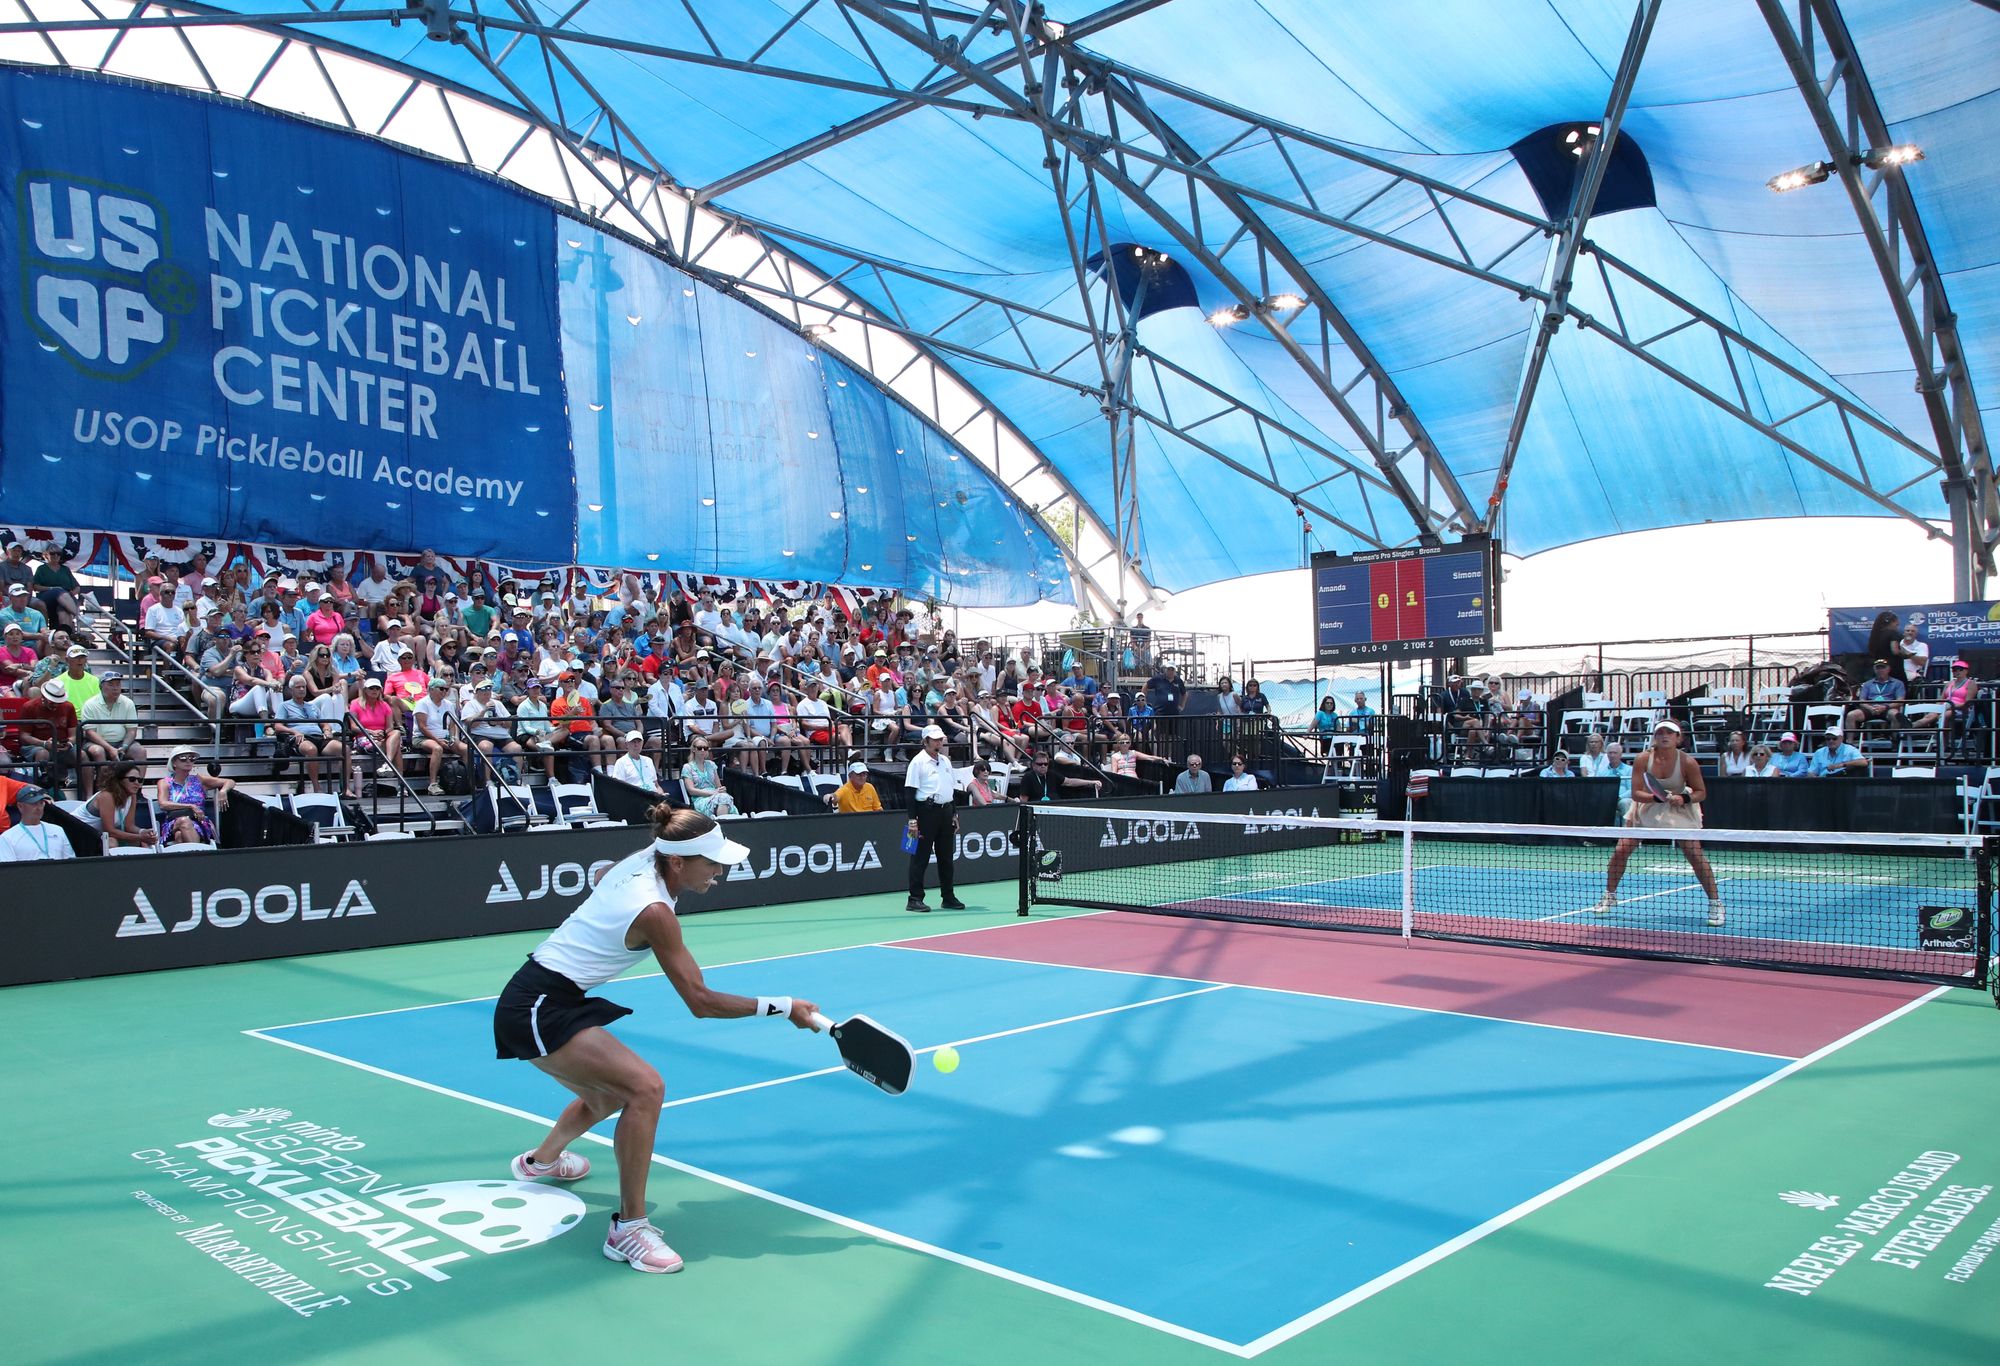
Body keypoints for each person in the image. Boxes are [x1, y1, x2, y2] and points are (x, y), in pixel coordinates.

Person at [491, 806, 820, 1275]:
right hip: (538, 1007)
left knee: (608, 1095)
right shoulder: (656, 912)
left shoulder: (653, 855)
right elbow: (700, 1001)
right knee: (645, 1088)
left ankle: (541, 1162)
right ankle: (628, 1229)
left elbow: (605, 873)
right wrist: (783, 1006)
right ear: (679, 863)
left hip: (541, 997)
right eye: (712, 863)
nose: (720, 871)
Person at [1597, 721, 1724, 926]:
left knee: (1694, 854)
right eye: (1660, 732)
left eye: (1670, 733)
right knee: (1621, 850)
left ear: (1678, 738)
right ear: (1655, 737)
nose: (1664, 736)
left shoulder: (1688, 762)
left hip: (1680, 808)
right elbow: (1637, 792)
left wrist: (1683, 798)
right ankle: (1609, 895)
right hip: (1648, 806)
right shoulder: (1643, 759)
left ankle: (1715, 903)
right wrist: (1657, 798)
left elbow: (1701, 792)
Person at [904, 723, 965, 913]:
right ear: (926, 741)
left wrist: (954, 813)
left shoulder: (945, 761)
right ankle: (914, 899)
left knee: (946, 857)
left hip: (946, 812)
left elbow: (950, 789)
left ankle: (948, 897)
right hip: (925, 813)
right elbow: (909, 793)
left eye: (941, 739)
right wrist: (912, 820)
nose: (939, 742)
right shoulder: (917, 762)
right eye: (935, 739)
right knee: (919, 857)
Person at [157, 744, 234, 844]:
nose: (188, 761)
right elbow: (163, 804)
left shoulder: (199, 779)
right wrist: (191, 806)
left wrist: (223, 791)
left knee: (179, 836)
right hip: (174, 822)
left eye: (192, 758)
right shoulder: (165, 782)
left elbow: (230, 781)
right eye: (183, 758)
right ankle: (199, 854)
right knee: (184, 821)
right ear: (174, 763)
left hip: (199, 821)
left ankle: (190, 855)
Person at [88, 762, 157, 850]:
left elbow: (129, 826)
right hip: (80, 834)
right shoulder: (107, 796)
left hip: (99, 835)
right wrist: (140, 837)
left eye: (139, 780)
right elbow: (110, 831)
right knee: (111, 843)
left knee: (140, 842)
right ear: (119, 780)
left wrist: (143, 832)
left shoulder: (132, 795)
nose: (137, 783)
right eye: (132, 779)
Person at [0, 785, 71, 862]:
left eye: (41, 803)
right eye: (33, 804)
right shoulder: (7, 837)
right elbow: (9, 871)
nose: (38, 808)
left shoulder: (58, 830)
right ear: (20, 806)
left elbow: (70, 862)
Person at [677, 738, 736, 817]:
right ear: (694, 749)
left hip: (716, 796)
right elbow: (691, 790)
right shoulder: (687, 767)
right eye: (699, 748)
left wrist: (722, 789)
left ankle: (722, 822)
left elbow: (718, 786)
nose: (702, 750)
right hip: (700, 798)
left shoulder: (711, 765)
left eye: (705, 748)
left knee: (724, 798)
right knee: (723, 799)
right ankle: (723, 823)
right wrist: (712, 793)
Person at [1020, 750, 1101, 802]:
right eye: (1040, 764)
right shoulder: (1028, 777)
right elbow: (1023, 800)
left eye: (1046, 764)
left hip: (1055, 807)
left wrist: (1091, 782)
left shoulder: (1051, 774)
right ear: (1033, 765)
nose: (1043, 766)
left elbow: (1069, 782)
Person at [609, 729, 662, 793]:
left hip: (653, 796)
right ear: (626, 744)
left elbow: (656, 785)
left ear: (642, 743)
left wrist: (661, 794)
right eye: (633, 742)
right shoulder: (621, 762)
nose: (636, 745)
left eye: (639, 742)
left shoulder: (648, 760)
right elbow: (619, 788)